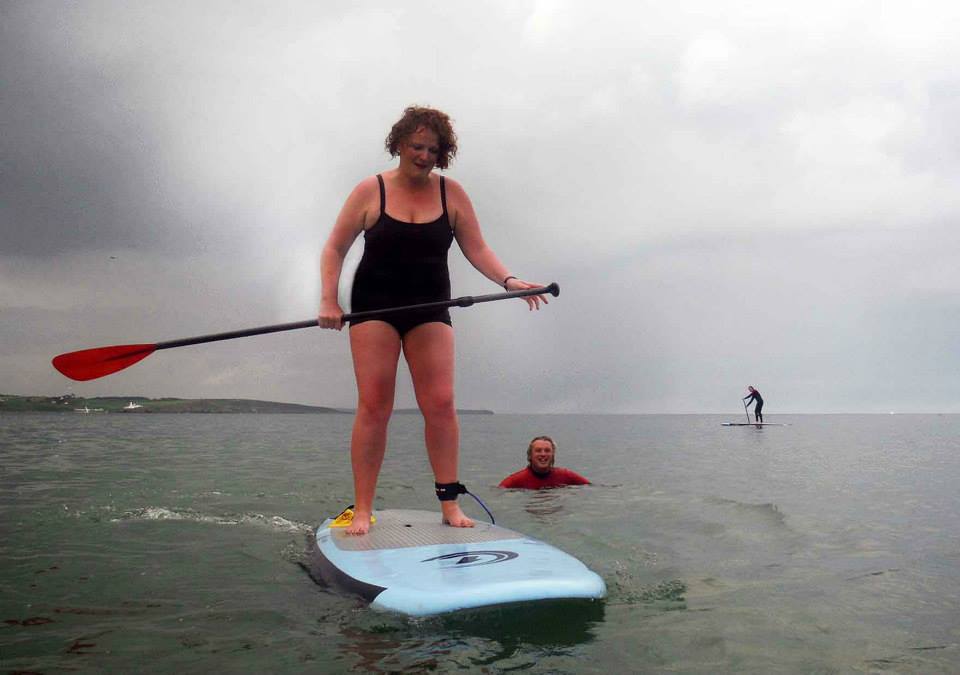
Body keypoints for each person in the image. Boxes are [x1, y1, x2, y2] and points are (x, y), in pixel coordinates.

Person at [318, 106, 549, 535]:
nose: (424, 156)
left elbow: (477, 248)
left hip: (430, 308)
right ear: (399, 144)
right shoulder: (370, 190)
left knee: (441, 404)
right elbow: (335, 248)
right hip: (375, 308)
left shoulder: (451, 194)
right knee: (375, 406)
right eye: (417, 147)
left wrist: (509, 281)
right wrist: (329, 300)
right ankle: (364, 509)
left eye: (433, 150)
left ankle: (449, 504)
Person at [498, 436, 590, 489]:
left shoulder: (566, 475)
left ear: (553, 455)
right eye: (538, 451)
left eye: (547, 451)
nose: (543, 454)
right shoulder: (515, 480)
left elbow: (590, 488)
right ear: (530, 455)